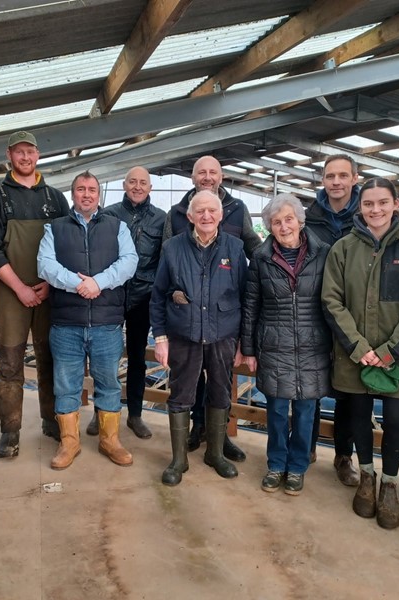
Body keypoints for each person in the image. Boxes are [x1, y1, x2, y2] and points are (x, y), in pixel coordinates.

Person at [322, 177, 399, 529]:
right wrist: (359, 347)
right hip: (355, 354)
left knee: (396, 420)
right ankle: (367, 476)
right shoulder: (343, 249)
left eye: (382, 203)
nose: (376, 210)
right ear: (361, 207)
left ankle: (390, 483)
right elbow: (332, 300)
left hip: (398, 357)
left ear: (395, 203)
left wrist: (388, 350)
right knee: (358, 414)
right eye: (369, 204)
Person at [0, 131, 70, 459]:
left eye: (30, 151)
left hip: (49, 291)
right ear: (10, 155)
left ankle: (51, 419)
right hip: (8, 292)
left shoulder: (56, 198)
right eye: (19, 152)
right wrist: (18, 287)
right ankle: (10, 430)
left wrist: (49, 284)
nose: (25, 158)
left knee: (50, 359)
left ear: (38, 155)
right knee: (10, 363)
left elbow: (67, 245)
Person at [37, 171, 137, 469]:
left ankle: (110, 440)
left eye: (92, 189)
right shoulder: (54, 228)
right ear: (73, 194)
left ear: (99, 194)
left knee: (108, 382)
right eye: (81, 189)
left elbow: (129, 262)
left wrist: (98, 282)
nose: (87, 194)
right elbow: (45, 265)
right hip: (66, 322)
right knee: (66, 385)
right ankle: (69, 442)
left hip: (106, 322)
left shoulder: (118, 227)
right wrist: (76, 283)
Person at [163, 155, 258, 461]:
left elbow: (252, 245)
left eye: (213, 172)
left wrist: (278, 259)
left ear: (222, 176)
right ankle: (196, 429)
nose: (207, 176)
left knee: (219, 382)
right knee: (187, 381)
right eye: (201, 172)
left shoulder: (237, 209)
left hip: (221, 318)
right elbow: (167, 257)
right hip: (188, 316)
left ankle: (217, 442)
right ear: (193, 177)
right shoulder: (177, 212)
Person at [152, 190, 247, 486]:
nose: (206, 216)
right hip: (184, 334)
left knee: (220, 392)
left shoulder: (235, 247)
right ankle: (179, 460)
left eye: (212, 211)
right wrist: (160, 338)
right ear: (190, 216)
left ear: (220, 215)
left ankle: (215, 454)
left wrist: (244, 342)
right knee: (181, 394)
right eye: (200, 211)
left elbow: (246, 297)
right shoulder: (172, 248)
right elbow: (157, 297)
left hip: (223, 335)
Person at [241, 194, 332, 496]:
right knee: (277, 411)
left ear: (300, 221)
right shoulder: (261, 259)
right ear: (268, 227)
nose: (283, 226)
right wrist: (250, 348)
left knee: (306, 410)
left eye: (288, 219)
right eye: (276, 222)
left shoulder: (324, 254)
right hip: (274, 345)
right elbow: (251, 305)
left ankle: (297, 467)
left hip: (312, 345)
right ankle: (276, 464)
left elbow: (333, 303)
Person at [95, 166, 166, 440]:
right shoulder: (109, 213)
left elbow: (165, 258)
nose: (138, 186)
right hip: (111, 295)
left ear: (150, 188)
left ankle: (135, 415)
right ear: (124, 184)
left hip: (143, 297)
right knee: (104, 357)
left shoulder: (162, 218)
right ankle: (101, 412)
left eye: (143, 183)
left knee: (137, 358)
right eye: (133, 182)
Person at [305, 154, 361, 486]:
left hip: (353, 315)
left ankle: (344, 455)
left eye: (343, 175)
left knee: (349, 389)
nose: (336, 181)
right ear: (322, 180)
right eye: (330, 176)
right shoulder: (309, 217)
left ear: (355, 178)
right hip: (313, 311)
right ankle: (307, 445)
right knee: (310, 382)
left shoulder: (367, 214)